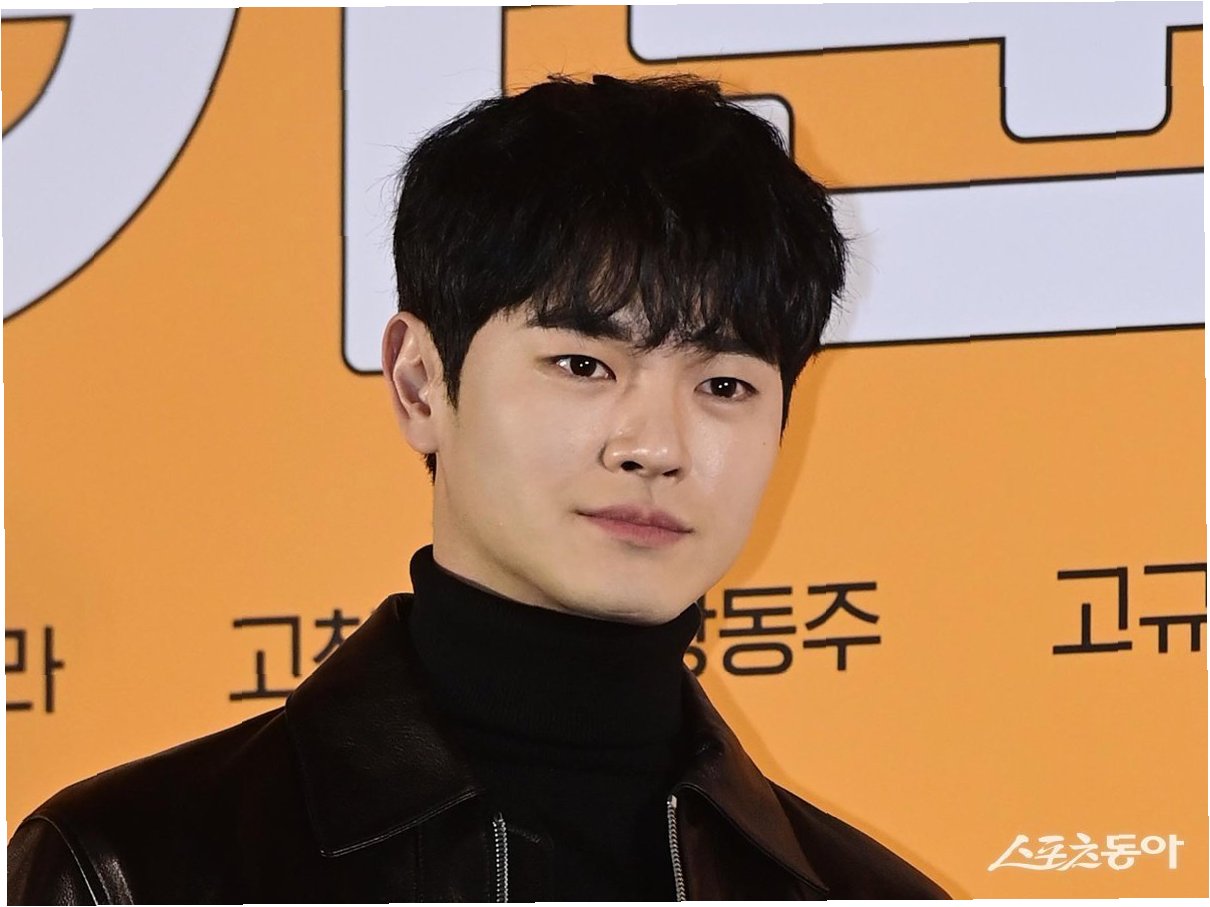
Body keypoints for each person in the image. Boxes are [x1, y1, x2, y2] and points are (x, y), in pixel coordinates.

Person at [8, 73, 948, 902]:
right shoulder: (134, 868)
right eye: (583, 365)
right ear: (420, 383)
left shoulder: (864, 893)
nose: (656, 446)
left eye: (725, 386)